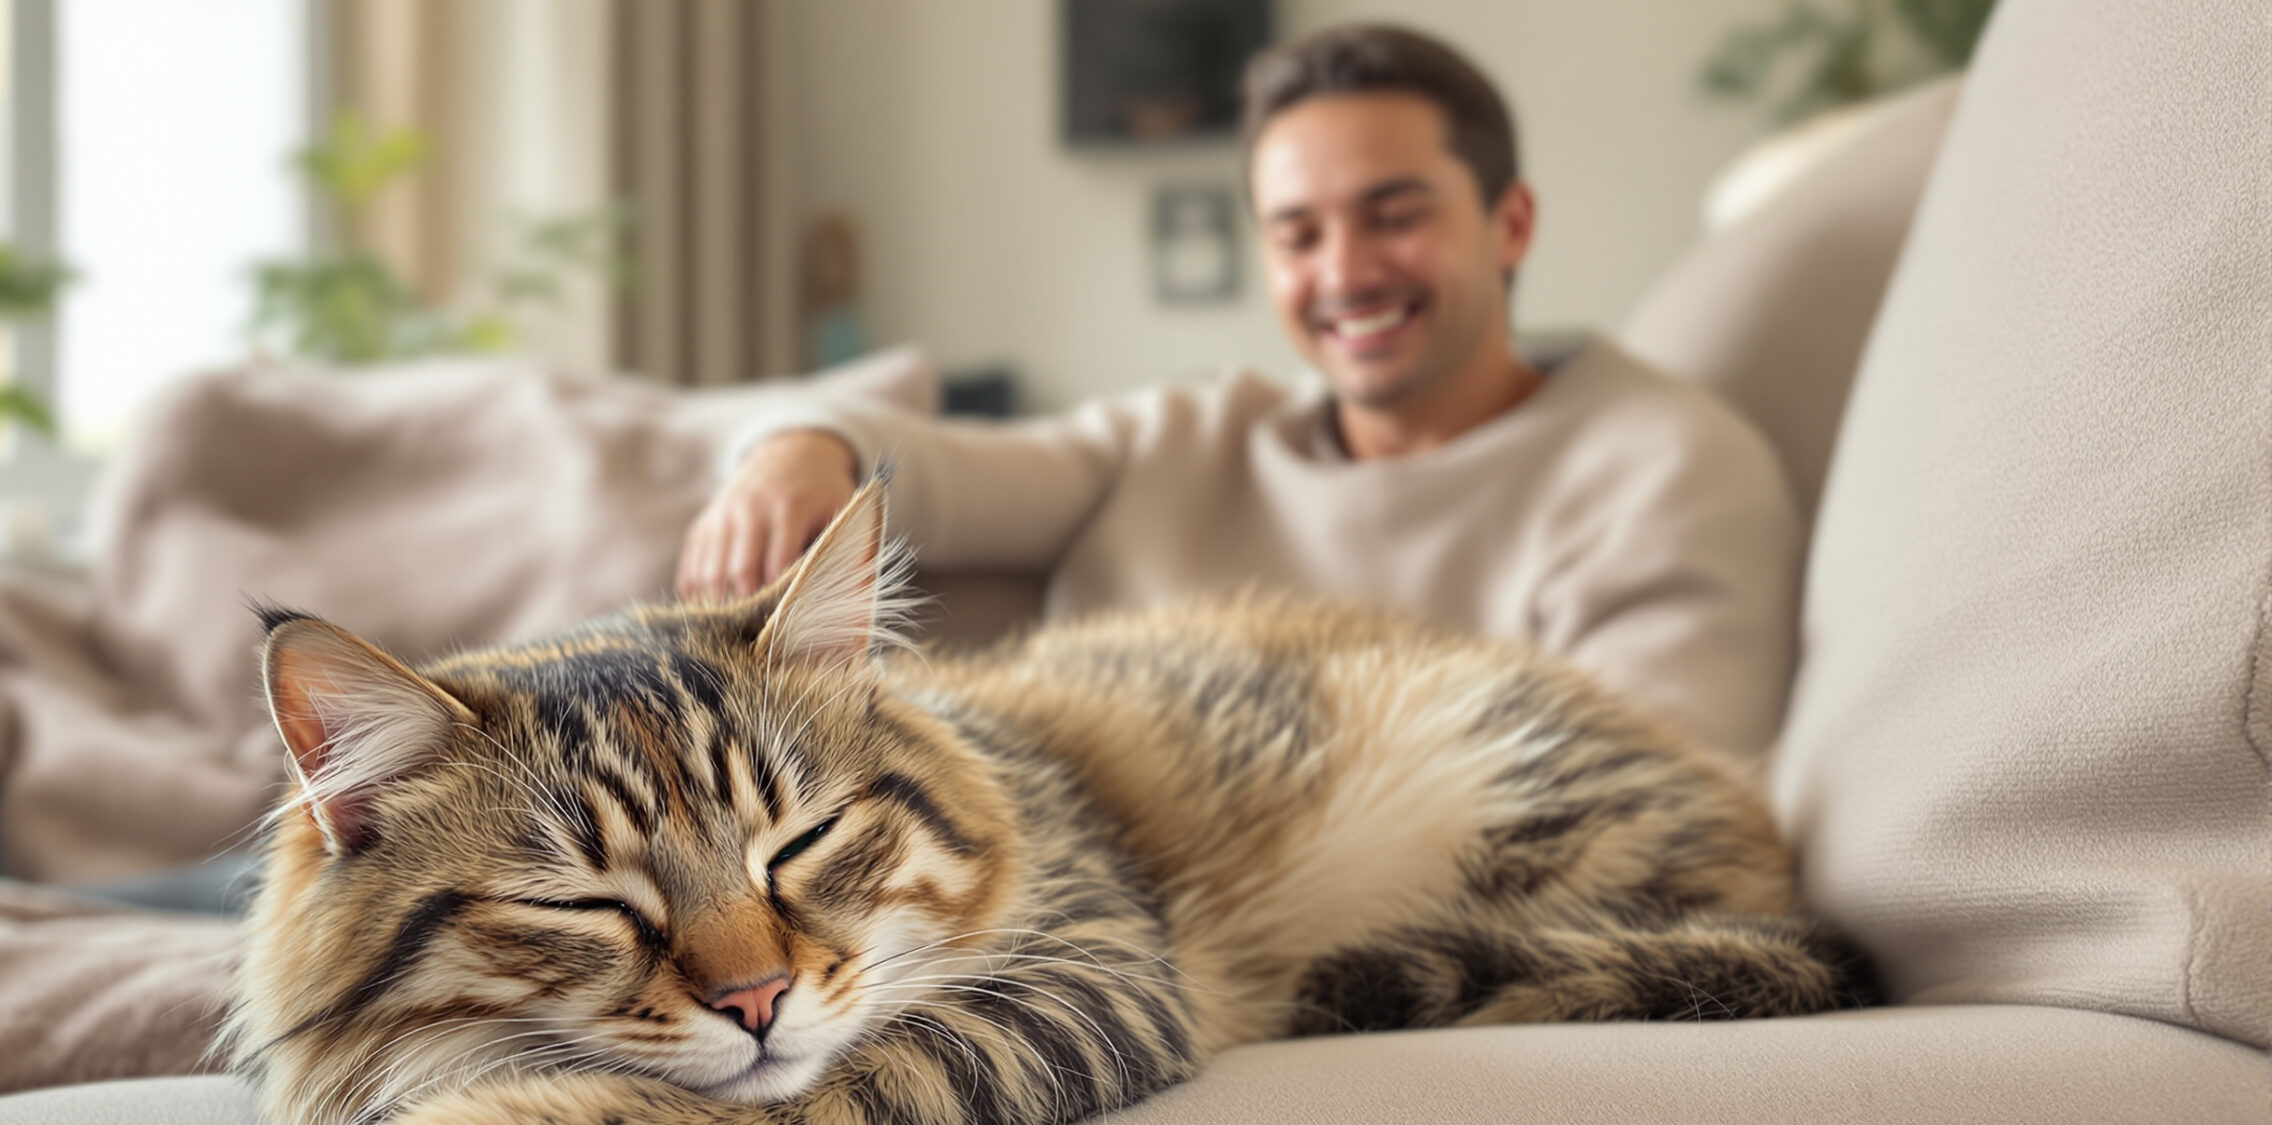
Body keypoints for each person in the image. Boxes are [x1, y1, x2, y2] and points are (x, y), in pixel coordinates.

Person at [679, 23, 1799, 758]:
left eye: (1394, 216)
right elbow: (915, 466)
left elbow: (1664, 801)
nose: (1344, 273)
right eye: (1297, 233)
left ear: (1509, 223)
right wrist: (798, 450)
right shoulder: (1190, 431)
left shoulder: (1665, 466)